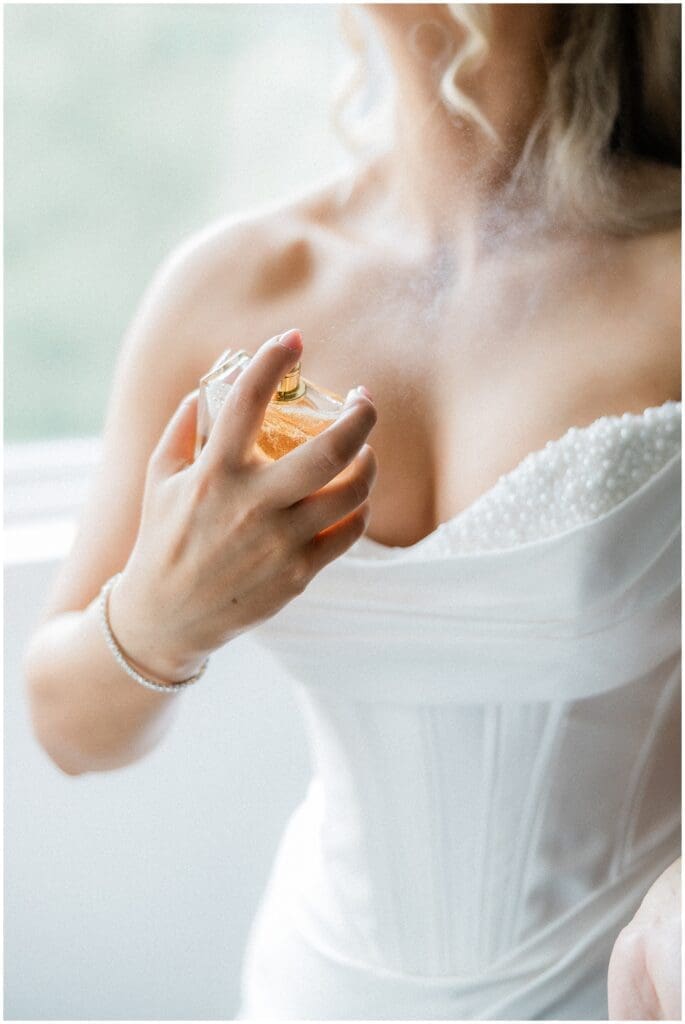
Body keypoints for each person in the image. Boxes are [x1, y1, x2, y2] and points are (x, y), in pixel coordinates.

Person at [24, 4, 681, 1019]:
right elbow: (65, 728)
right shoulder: (230, 288)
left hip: (622, 985)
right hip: (312, 988)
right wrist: (156, 620)